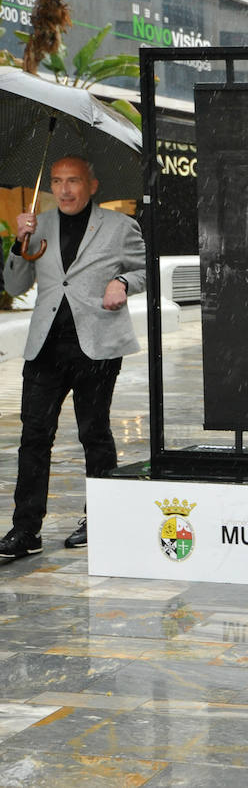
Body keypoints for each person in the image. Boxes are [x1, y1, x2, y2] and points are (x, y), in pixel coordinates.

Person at [0, 155, 146, 558]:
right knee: (33, 438)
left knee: (93, 433)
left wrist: (122, 281)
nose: (64, 189)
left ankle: (101, 518)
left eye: (74, 181)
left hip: (96, 346)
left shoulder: (120, 227)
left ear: (92, 185)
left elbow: (144, 269)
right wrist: (18, 242)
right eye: (57, 181)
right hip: (46, 347)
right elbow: (13, 284)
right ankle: (25, 530)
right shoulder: (37, 223)